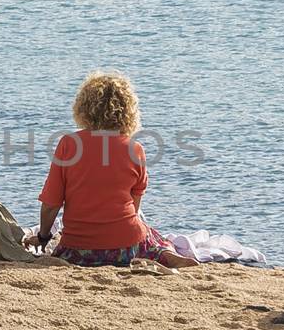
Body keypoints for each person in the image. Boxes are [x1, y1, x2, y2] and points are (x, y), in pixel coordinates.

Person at [28, 72, 197, 269]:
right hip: (126, 246)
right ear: (127, 111)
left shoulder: (68, 144)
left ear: (84, 108)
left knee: (64, 245)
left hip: (78, 248)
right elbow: (134, 207)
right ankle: (166, 254)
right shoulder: (135, 149)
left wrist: (43, 237)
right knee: (150, 236)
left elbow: (51, 204)